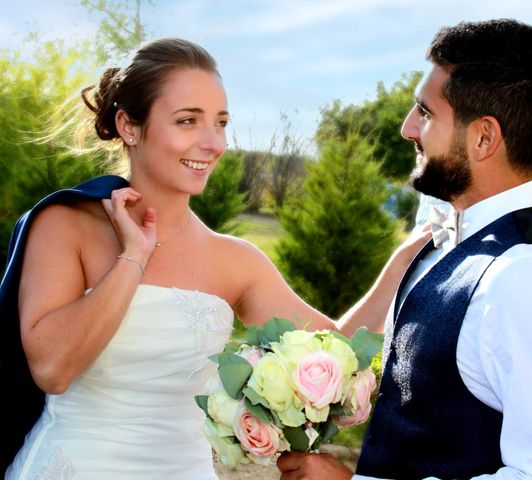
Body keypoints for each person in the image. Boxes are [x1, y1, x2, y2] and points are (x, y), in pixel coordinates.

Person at [0, 37, 429, 479]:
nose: (213, 143)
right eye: (188, 121)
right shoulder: (63, 227)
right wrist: (133, 257)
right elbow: (53, 370)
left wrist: (400, 265)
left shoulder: (236, 260)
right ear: (129, 125)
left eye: (221, 123)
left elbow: (334, 353)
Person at [277, 18, 532, 480]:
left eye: (425, 113)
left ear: (484, 137)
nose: (407, 128)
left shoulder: (531, 277)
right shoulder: (439, 242)